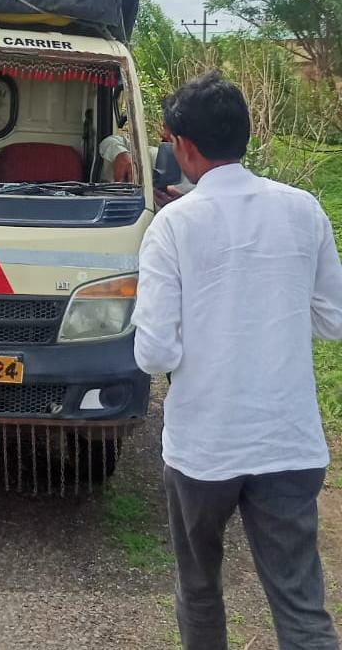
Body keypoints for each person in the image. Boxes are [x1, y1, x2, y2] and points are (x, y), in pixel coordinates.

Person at [131, 71, 342, 650]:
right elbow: (333, 319)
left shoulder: (173, 226)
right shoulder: (304, 209)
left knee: (199, 589)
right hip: (288, 443)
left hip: (205, 448)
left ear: (183, 146)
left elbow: (154, 353)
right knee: (301, 607)